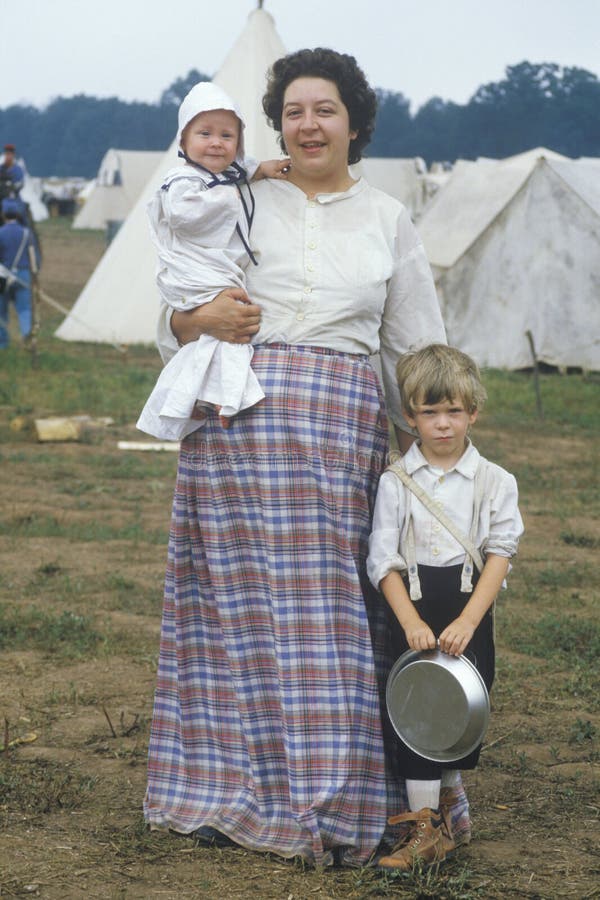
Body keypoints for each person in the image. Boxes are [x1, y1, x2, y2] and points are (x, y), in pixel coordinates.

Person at [144, 48, 465, 867]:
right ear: (276, 123)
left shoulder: (387, 217)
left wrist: (434, 458)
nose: (307, 124)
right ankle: (236, 790)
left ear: (354, 122)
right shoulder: (235, 197)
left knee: (334, 618)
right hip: (235, 428)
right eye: (292, 111)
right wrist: (195, 322)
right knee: (236, 619)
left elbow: (414, 348)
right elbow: (174, 310)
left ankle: (346, 797)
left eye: (324, 110)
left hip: (339, 435)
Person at [367, 343, 524, 870]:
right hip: (412, 610)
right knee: (417, 714)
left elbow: (500, 554)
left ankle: (448, 804)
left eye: (453, 411)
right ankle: (426, 831)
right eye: (428, 412)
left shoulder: (495, 482)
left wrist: (467, 620)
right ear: (409, 415)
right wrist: (409, 620)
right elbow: (382, 559)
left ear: (472, 412)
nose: (441, 424)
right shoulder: (396, 482)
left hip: (467, 609)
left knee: (461, 711)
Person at [137, 82, 289, 439]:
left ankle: (198, 397)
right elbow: (182, 216)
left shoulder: (224, 177)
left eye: (226, 135)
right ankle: (222, 398)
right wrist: (228, 197)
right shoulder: (183, 180)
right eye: (204, 133)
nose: (216, 143)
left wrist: (262, 170)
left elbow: (244, 170)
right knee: (228, 334)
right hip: (196, 274)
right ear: (183, 141)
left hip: (217, 271)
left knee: (219, 340)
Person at [0, 197, 39, 348]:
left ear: (3, 214)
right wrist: (35, 276)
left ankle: (2, 343)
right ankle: (27, 336)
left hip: (3, 275)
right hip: (23, 274)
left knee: (1, 311)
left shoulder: (1, 232)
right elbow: (33, 256)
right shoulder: (27, 233)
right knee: (24, 309)